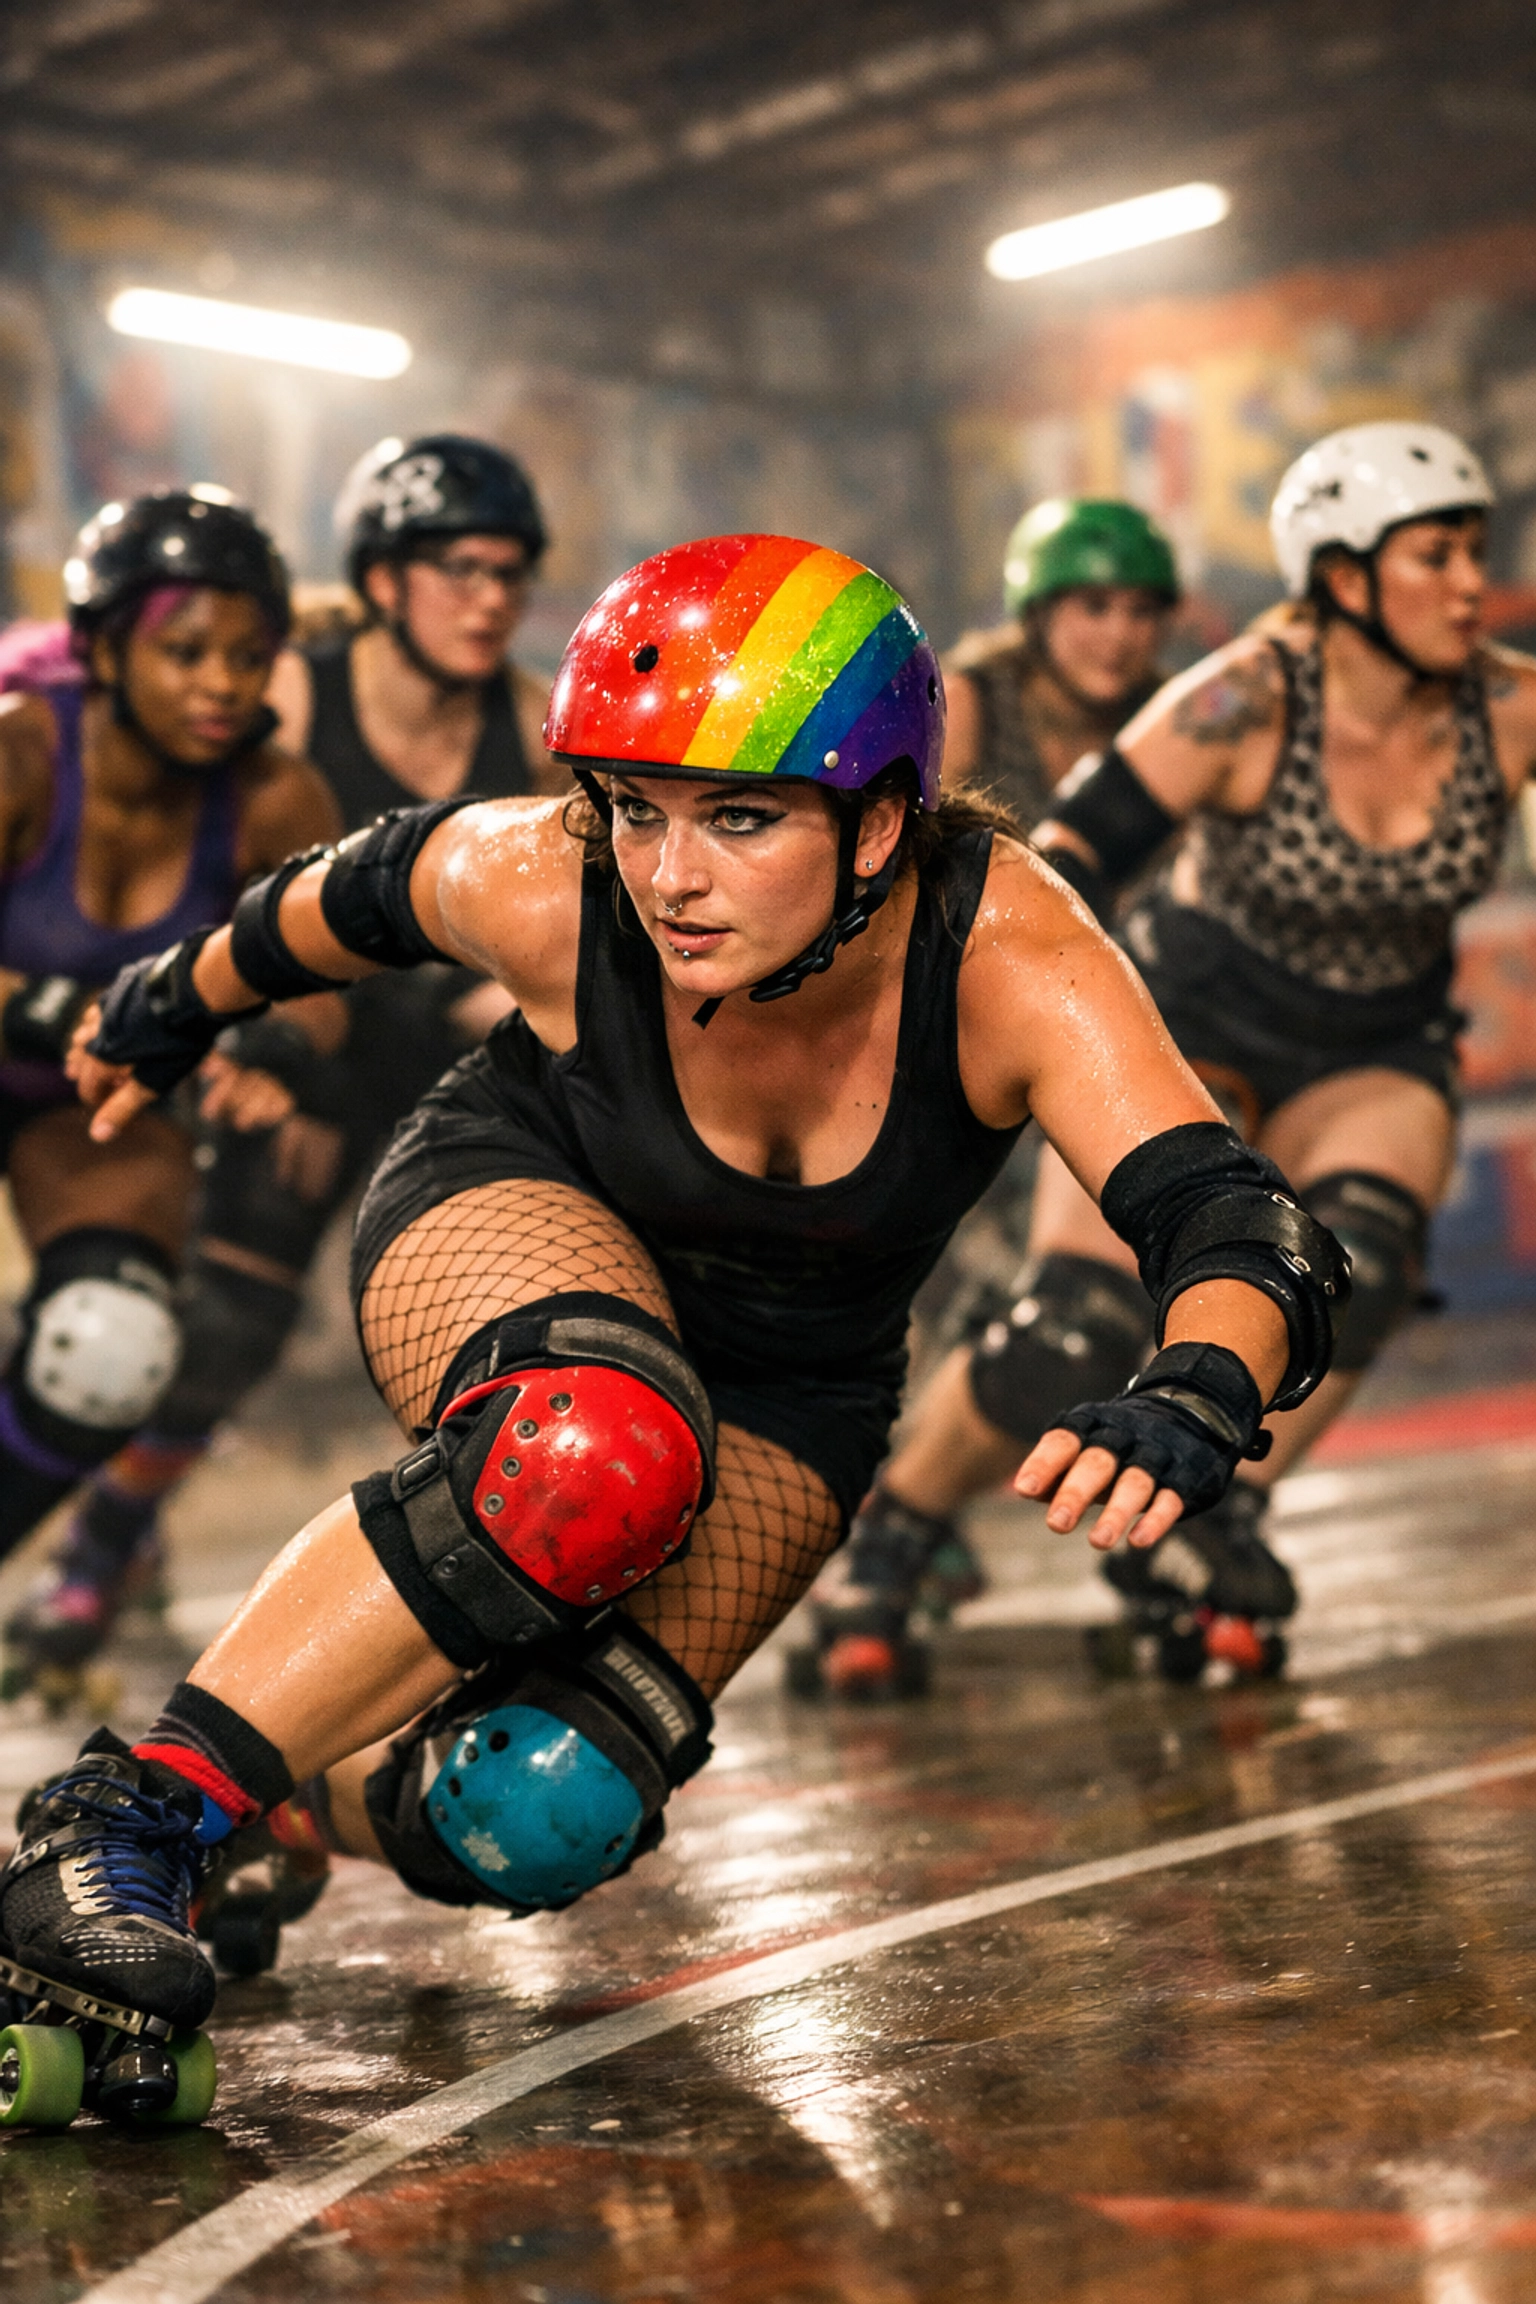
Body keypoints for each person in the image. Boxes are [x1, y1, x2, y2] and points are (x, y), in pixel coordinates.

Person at [0, 532, 1342, 2128]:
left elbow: (1233, 1220)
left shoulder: (1006, 950)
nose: (670, 875)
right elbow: (350, 896)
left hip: (802, 1373)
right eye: (637, 808)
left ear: (883, 821)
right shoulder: (558, 877)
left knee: (529, 1810)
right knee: (596, 1450)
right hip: (518, 1199)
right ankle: (119, 1823)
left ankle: (275, 1816)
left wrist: (1197, 1382)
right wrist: (178, 999)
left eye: (744, 816)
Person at [813, 420, 1536, 1692]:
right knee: (1073, 1330)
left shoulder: (1509, 706)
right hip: (1198, 1022)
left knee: (1349, 1268)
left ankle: (1226, 1509)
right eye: (1437, 556)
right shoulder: (1246, 695)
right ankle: (903, 1525)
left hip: (1375, 1046)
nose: (1473, 585)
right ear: (1345, 576)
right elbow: (1069, 855)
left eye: (1475, 553)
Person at [5, 437, 567, 1693]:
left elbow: (472, 947)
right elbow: (259, 940)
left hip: (393, 1061)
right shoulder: (265, 704)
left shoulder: (486, 753)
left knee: (133, 1341)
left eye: (511, 575)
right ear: (382, 578)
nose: (489, 598)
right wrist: (227, 1042)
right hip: (230, 1048)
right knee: (220, 1317)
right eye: (459, 568)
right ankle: (112, 1531)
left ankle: (512, 1565)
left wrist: (302, 1039)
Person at [797, 497, 1181, 1693]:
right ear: (1037, 613)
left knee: (1074, 1328)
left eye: (1135, 611)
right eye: (1090, 607)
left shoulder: (1181, 718)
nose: (1117, 636)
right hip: (954, 1031)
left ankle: (1157, 1524)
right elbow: (889, 855)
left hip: (1108, 1045)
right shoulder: (963, 699)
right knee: (953, 1320)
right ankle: (899, 1532)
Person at [0, 487, 337, 1594]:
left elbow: (331, 983)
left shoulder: (275, 800)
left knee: (109, 1349)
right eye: (186, 652)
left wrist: (265, 1046)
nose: (222, 686)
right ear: (99, 648)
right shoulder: (21, 752)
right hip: (65, 1058)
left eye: (250, 657)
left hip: (79, 1105)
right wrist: (52, 1009)